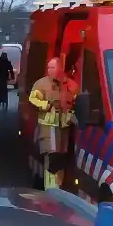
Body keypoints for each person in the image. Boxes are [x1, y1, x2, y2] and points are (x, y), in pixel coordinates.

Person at [26, 57, 77, 189]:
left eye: (52, 67)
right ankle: (50, 191)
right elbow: (32, 99)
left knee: (60, 161)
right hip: (48, 129)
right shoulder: (41, 84)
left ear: (60, 69)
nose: (49, 70)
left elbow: (77, 103)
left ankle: (58, 188)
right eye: (48, 67)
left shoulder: (71, 85)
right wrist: (46, 105)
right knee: (51, 160)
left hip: (64, 130)